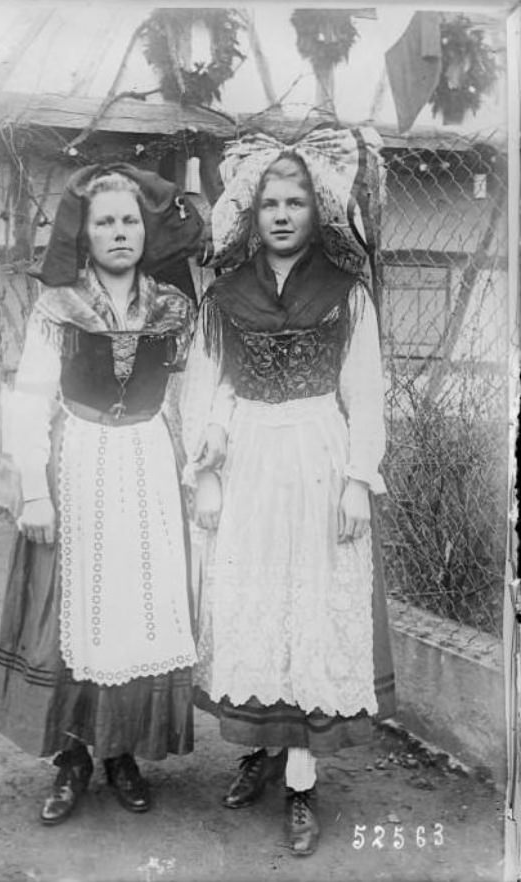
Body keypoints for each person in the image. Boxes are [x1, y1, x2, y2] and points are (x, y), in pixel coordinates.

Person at [181, 131, 395, 857]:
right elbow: (208, 386)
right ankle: (262, 751)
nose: (280, 213)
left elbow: (365, 393)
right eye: (269, 201)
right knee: (256, 605)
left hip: (318, 455)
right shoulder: (224, 293)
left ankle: (302, 781)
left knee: (308, 604)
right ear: (249, 211)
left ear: (317, 209)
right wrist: (205, 472)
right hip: (247, 460)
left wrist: (359, 480)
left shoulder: (346, 292)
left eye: (295, 200)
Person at [0, 164, 203, 826]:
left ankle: (122, 753)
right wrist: (34, 490)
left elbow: (188, 393)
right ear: (85, 232)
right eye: (105, 220)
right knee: (76, 611)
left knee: (136, 607)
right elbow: (29, 396)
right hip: (77, 462)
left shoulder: (173, 308)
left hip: (146, 466)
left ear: (146, 231)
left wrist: (196, 470)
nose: (118, 232)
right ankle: (75, 757)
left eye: (130, 220)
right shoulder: (59, 305)